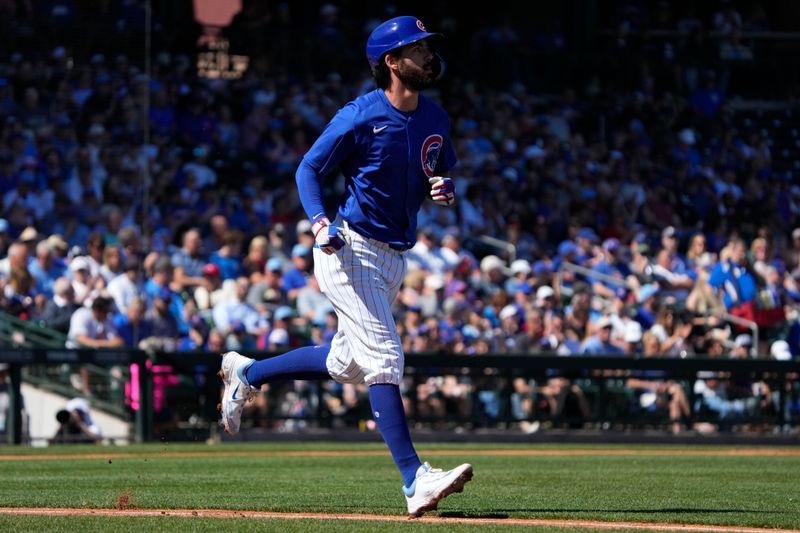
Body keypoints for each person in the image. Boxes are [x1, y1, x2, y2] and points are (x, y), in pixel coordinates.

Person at [218, 15, 471, 517]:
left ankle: (248, 373)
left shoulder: (435, 118)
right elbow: (308, 167)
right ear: (391, 63)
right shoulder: (360, 114)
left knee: (346, 363)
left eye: (427, 47)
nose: (427, 55)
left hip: (394, 255)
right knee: (385, 356)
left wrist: (443, 188)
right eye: (416, 49)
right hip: (347, 249)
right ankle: (414, 479)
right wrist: (317, 223)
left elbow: (441, 170)